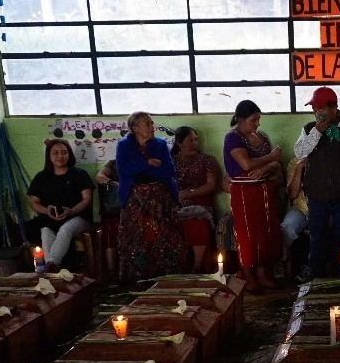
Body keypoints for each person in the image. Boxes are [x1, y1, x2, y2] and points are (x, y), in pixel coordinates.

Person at [293, 86, 340, 280]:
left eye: (319, 108)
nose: (315, 112)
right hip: (317, 195)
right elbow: (300, 153)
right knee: (317, 237)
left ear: (333, 108)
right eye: (314, 108)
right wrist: (317, 132)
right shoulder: (309, 129)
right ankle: (317, 280)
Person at [115, 111, 188, 282]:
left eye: (151, 122)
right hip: (135, 200)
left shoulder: (160, 144)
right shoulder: (124, 145)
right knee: (137, 239)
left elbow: (169, 170)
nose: (152, 127)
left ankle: (168, 276)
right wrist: (147, 163)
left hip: (160, 198)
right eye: (147, 124)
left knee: (167, 235)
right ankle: (138, 279)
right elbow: (124, 170)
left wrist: (142, 169)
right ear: (135, 128)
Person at [223, 100, 284, 293]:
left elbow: (274, 166)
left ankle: (261, 275)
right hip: (244, 192)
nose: (257, 123)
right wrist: (272, 158)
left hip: (264, 190)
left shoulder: (261, 137)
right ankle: (249, 278)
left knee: (265, 233)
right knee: (247, 235)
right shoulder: (232, 137)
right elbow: (246, 165)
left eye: (258, 119)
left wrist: (268, 165)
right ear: (240, 119)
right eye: (253, 120)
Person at [28, 139, 94, 273]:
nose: (60, 156)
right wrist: (46, 211)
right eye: (55, 153)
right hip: (50, 218)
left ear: (69, 154)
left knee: (65, 229)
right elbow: (33, 202)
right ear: (49, 156)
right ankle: (53, 271)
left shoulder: (79, 174)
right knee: (45, 232)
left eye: (64, 152)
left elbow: (87, 199)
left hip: (78, 217)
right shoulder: (41, 177)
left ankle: (51, 265)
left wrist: (72, 211)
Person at [172, 126, 220, 273]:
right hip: (177, 203)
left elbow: (211, 185)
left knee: (197, 222)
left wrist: (189, 193)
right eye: (190, 140)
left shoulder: (207, 160)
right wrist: (179, 198)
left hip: (202, 205)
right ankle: (175, 266)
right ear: (179, 143)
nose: (194, 143)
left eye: (196, 140)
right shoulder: (170, 162)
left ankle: (197, 266)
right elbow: (165, 186)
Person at [280, 157, 310, 282]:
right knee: (287, 227)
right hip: (300, 208)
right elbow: (292, 193)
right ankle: (280, 261)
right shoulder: (295, 162)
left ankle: (310, 266)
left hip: (322, 209)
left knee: (319, 228)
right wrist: (299, 167)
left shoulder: (327, 158)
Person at [94, 160, 121, 277]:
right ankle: (112, 271)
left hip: (137, 207)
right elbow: (99, 177)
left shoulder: (143, 162)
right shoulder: (114, 163)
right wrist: (114, 184)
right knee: (110, 226)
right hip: (114, 209)